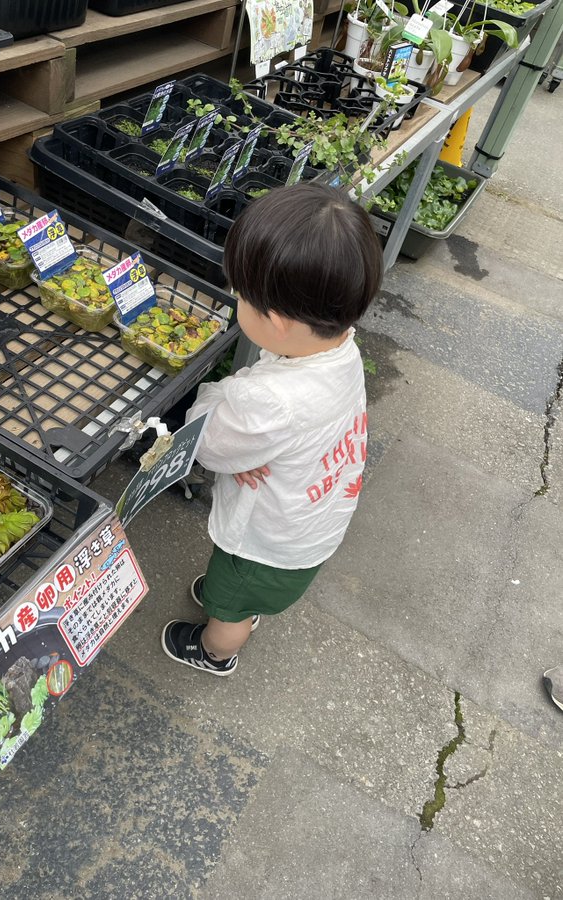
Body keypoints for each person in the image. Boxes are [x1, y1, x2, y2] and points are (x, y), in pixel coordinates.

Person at [160, 182, 383, 675]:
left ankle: (216, 648)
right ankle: (240, 601)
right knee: (244, 588)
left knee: (230, 604)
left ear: (277, 321)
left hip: (264, 540)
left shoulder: (267, 402)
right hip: (311, 526)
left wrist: (219, 395)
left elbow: (210, 440)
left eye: (242, 296)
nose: (237, 301)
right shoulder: (341, 348)